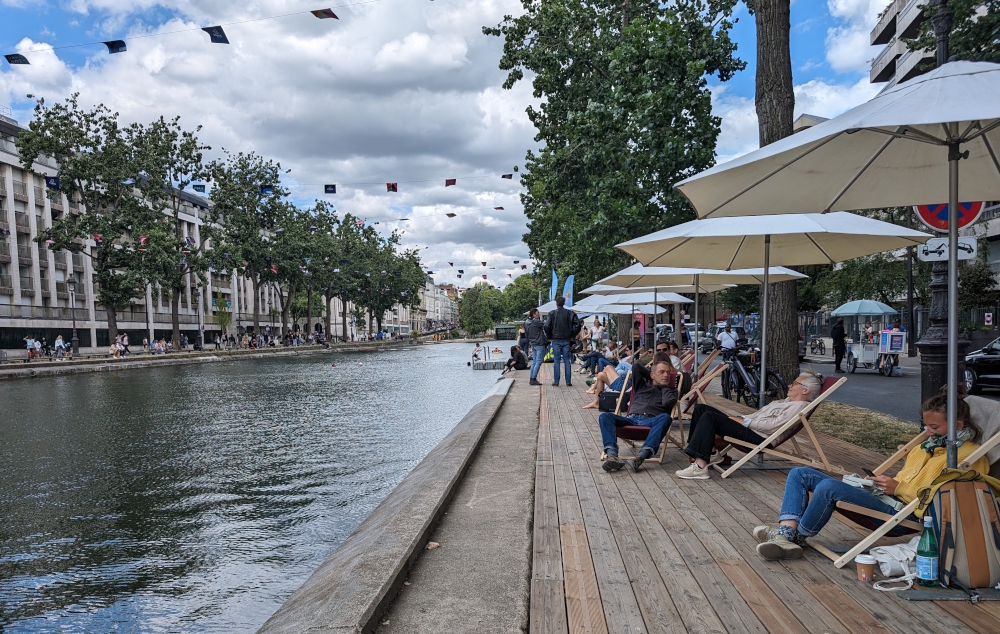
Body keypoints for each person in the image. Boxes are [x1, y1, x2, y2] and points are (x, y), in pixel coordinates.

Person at [752, 385, 990, 561]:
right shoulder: (924, 448)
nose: (927, 432)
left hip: (908, 516)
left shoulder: (970, 458)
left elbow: (947, 501)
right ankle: (786, 532)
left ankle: (792, 539)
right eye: (925, 425)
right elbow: (905, 478)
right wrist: (878, 484)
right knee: (799, 473)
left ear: (958, 425)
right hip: (886, 500)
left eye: (934, 427)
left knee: (828, 488)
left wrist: (898, 488)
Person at [675, 370, 823, 480]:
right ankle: (710, 453)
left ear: (805, 390)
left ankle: (700, 467)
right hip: (750, 428)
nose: (790, 385)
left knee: (709, 417)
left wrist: (744, 421)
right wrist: (741, 418)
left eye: (795, 383)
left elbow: (773, 426)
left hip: (759, 438)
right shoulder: (787, 402)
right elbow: (759, 416)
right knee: (701, 409)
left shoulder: (799, 407)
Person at [598, 352, 678, 472]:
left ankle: (641, 457)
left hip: (651, 421)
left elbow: (667, 403)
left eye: (668, 372)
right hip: (631, 419)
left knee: (666, 418)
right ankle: (612, 455)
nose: (666, 375)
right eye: (662, 372)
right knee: (604, 416)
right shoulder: (641, 385)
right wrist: (651, 376)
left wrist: (664, 386)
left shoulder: (671, 391)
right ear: (652, 374)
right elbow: (636, 367)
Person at [544, 296, 580, 387]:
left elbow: (546, 326)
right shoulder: (570, 313)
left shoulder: (552, 313)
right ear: (564, 303)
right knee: (567, 360)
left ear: (556, 304)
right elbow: (578, 325)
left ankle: (556, 381)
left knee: (556, 360)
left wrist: (549, 336)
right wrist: (572, 335)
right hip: (566, 338)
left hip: (555, 338)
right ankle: (568, 381)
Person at [525, 308, 548, 386]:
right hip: (539, 343)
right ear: (534, 314)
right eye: (538, 313)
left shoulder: (527, 322)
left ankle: (531, 378)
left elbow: (526, 334)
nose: (539, 314)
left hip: (532, 343)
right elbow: (545, 324)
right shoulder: (536, 321)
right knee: (538, 361)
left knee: (534, 361)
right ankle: (533, 378)